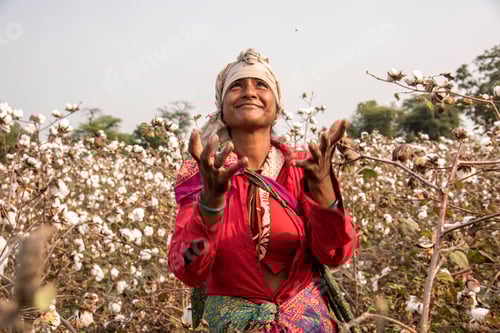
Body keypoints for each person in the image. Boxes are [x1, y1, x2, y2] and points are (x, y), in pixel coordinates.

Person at [168, 48, 356, 333]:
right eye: (236, 86)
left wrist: (323, 191)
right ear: (221, 107)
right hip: (231, 326)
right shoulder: (203, 173)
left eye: (261, 85)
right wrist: (210, 204)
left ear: (277, 108)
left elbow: (335, 254)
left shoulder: (301, 167)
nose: (248, 92)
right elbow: (188, 269)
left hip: (307, 324)